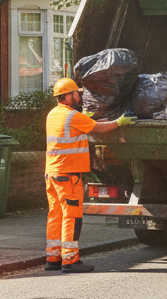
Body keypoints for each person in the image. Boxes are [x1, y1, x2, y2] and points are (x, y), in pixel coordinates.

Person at [45, 78, 135, 273]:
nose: (79, 96)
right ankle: (70, 260)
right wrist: (119, 122)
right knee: (72, 217)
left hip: (52, 174)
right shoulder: (72, 116)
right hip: (68, 176)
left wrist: (88, 118)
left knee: (55, 215)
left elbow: (84, 125)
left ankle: (53, 258)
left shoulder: (53, 114)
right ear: (68, 96)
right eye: (77, 93)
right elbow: (98, 128)